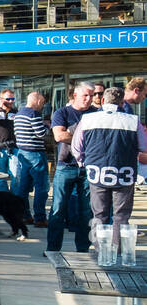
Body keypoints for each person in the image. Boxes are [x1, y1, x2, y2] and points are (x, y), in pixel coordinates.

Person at [73, 87, 147, 249]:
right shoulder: (133, 121)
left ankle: (100, 251)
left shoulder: (87, 119)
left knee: (99, 214)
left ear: (103, 101)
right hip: (124, 173)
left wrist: (83, 163)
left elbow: (77, 147)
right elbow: (143, 146)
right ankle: (117, 251)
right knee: (121, 216)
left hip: (96, 173)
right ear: (121, 103)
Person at [48, 83, 97, 254]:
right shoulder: (63, 112)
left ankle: (83, 250)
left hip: (89, 168)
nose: (89, 99)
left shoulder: (96, 114)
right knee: (58, 208)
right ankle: (53, 249)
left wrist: (74, 137)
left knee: (86, 212)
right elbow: (59, 135)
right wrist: (86, 139)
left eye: (92, 95)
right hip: (65, 166)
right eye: (86, 95)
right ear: (75, 95)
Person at [10, 91, 50, 227]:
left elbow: (17, 134)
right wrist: (47, 125)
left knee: (24, 188)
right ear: (37, 101)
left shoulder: (19, 114)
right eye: (43, 103)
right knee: (42, 187)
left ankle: (25, 215)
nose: (43, 105)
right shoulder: (34, 114)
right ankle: (40, 218)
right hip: (36, 154)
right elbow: (41, 133)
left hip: (22, 153)